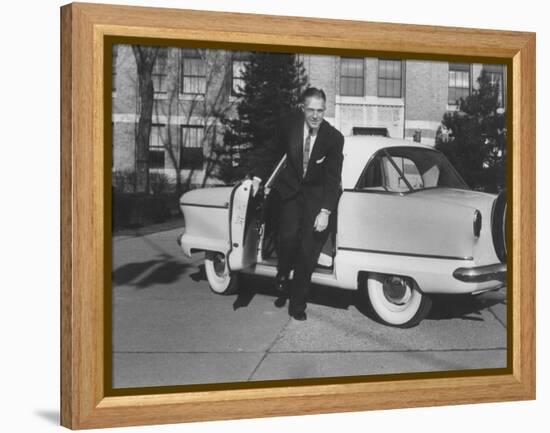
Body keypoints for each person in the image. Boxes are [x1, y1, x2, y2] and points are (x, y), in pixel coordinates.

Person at [251, 87, 344, 321]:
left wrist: (325, 212)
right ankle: (282, 273)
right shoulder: (289, 125)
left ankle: (297, 306)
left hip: (316, 199)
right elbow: (271, 151)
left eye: (320, 111)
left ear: (325, 110)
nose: (315, 116)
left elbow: (333, 179)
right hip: (290, 193)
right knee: (288, 237)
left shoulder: (333, 138)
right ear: (303, 109)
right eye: (311, 110)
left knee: (307, 254)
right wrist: (257, 177)